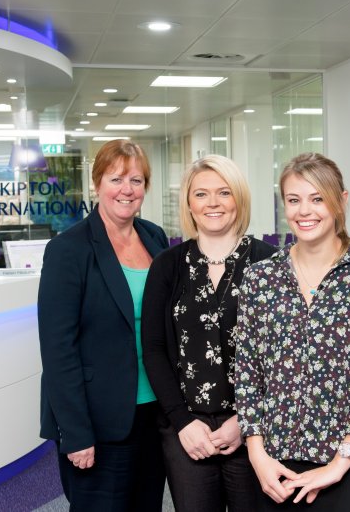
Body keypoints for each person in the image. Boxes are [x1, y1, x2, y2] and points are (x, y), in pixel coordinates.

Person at [236, 153, 350, 511]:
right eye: (294, 200)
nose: (304, 211)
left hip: (347, 463)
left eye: (317, 198)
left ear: (341, 201)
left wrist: (339, 463)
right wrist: (256, 453)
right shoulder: (260, 278)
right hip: (274, 463)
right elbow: (247, 373)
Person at [37, 139, 168, 511]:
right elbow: (57, 350)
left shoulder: (154, 237)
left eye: (137, 180)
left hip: (153, 414)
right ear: (97, 184)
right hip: (98, 421)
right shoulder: (69, 249)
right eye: (116, 179)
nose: (127, 190)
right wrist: (76, 433)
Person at [142, 155, 276, 512]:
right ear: (189, 202)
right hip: (186, 429)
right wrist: (183, 423)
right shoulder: (167, 266)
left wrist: (247, 421)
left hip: (256, 428)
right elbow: (154, 350)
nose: (213, 203)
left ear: (239, 199)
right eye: (201, 194)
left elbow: (284, 355)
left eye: (224, 192)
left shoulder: (271, 262)